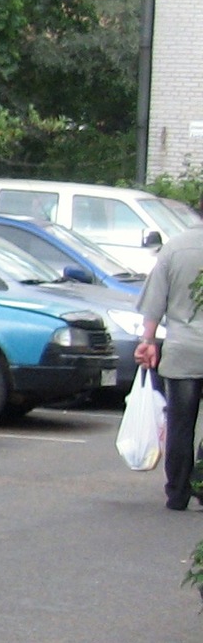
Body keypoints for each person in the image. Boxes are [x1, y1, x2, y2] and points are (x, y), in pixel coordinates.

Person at [137, 213, 203, 509]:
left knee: (180, 424)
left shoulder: (174, 248)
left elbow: (154, 304)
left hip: (182, 350)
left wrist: (148, 341)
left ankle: (177, 492)